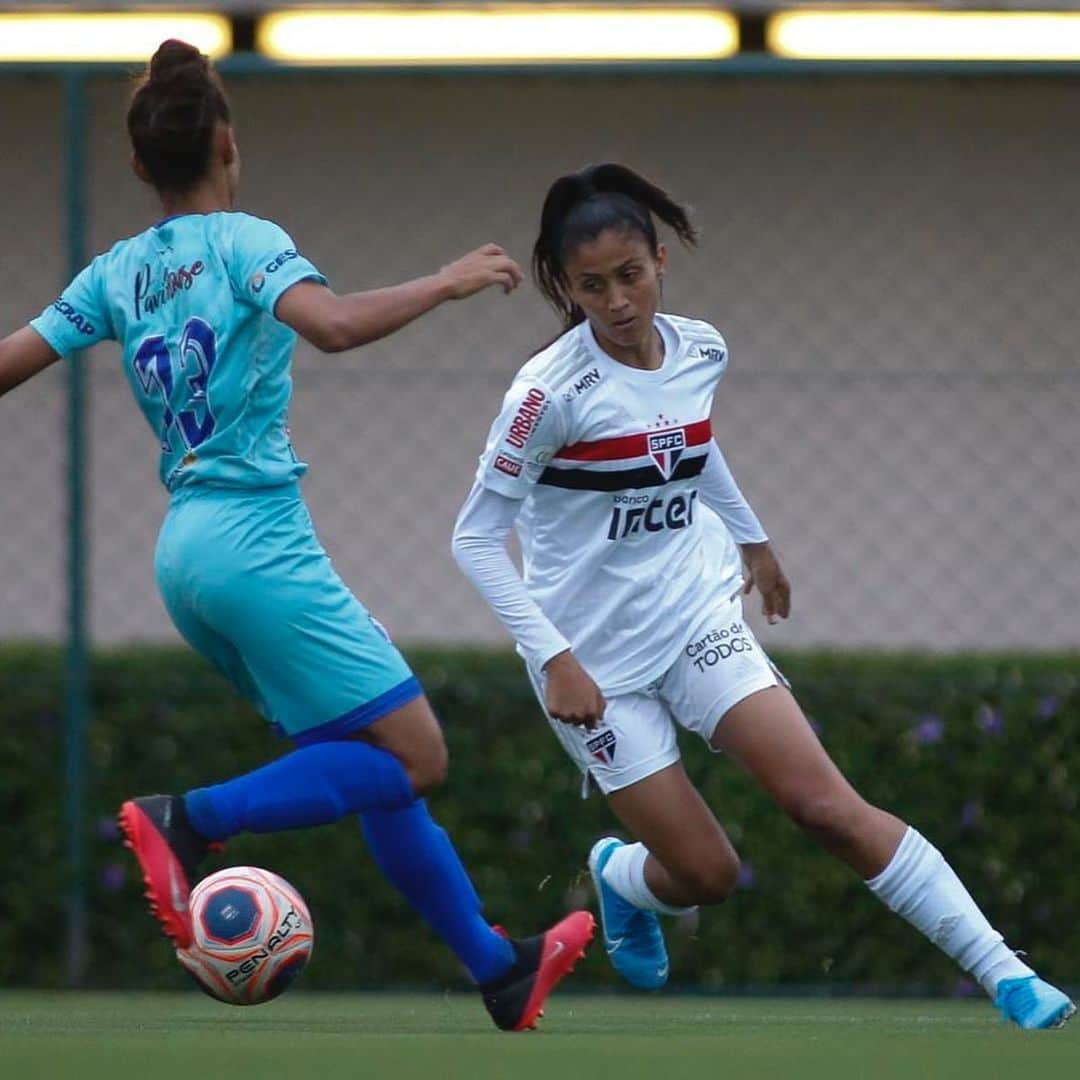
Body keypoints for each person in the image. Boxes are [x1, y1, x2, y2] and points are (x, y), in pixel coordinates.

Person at [0, 40, 593, 1031]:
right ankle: (185, 821)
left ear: (142, 165)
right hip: (258, 547)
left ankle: (497, 966)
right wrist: (445, 281)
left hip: (184, 557)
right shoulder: (244, 242)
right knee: (416, 757)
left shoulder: (114, 273)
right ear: (227, 141)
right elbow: (334, 325)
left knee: (369, 765)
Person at [451, 162, 1073, 1030]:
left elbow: (692, 449)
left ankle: (1006, 975)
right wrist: (552, 657)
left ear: (660, 261)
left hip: (696, 618)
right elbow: (474, 538)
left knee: (826, 807)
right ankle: (621, 875)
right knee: (707, 875)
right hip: (590, 666)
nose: (618, 300)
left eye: (631, 275)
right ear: (564, 286)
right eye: (592, 286)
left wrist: (753, 538)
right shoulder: (546, 395)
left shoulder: (702, 347)